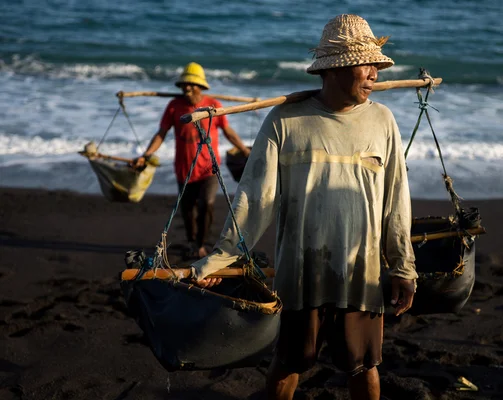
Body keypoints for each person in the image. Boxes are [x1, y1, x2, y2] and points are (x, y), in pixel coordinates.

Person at [193, 14, 418, 400]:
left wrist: (402, 265)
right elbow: (255, 198)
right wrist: (222, 256)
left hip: (361, 273)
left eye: (377, 66)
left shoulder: (383, 120)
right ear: (335, 69)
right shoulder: (286, 121)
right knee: (289, 362)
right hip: (300, 273)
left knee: (364, 366)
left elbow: (396, 198)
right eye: (367, 64)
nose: (375, 74)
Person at [133, 62, 251, 259]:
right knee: (188, 208)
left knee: (207, 203)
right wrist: (146, 155)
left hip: (209, 169)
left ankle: (201, 244)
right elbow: (161, 133)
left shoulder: (213, 105)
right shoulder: (174, 106)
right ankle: (191, 241)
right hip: (184, 169)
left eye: (192, 85)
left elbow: (227, 131)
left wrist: (244, 150)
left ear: (201, 87)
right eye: (184, 85)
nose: (187, 89)